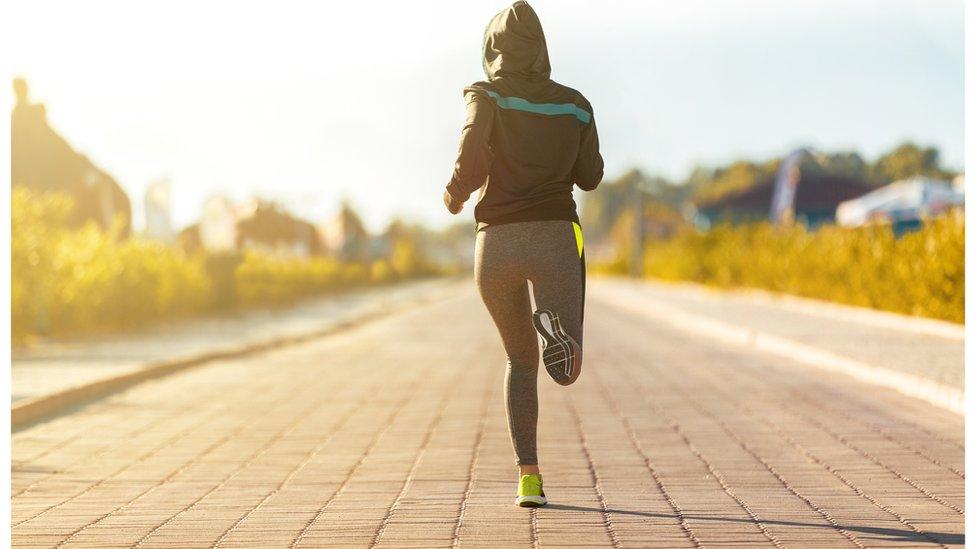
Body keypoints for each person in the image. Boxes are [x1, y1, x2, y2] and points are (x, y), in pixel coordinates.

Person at [442, 1, 603, 508]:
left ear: (492, 50)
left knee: (518, 360)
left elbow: (470, 150)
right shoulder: (575, 104)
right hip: (556, 238)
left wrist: (455, 193)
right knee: (566, 364)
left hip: (497, 246)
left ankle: (528, 479)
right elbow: (591, 177)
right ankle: (558, 330)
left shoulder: (484, 94)